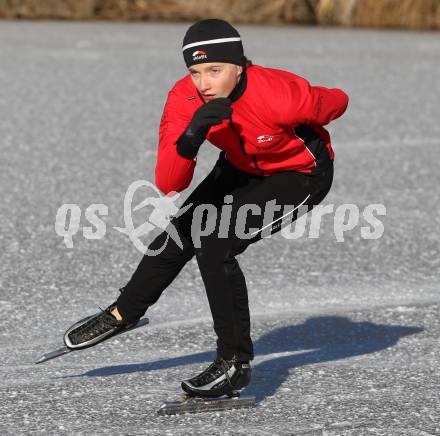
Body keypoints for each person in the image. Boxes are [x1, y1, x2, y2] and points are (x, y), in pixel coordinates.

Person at [65, 18, 349, 398]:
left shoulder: (280, 94)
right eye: (196, 72)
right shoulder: (185, 99)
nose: (204, 83)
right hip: (238, 166)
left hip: (300, 174)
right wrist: (191, 138)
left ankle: (234, 363)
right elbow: (169, 184)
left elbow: (337, 99)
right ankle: (124, 312)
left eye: (214, 70)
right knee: (181, 230)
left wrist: (312, 116)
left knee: (215, 242)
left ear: (239, 65)